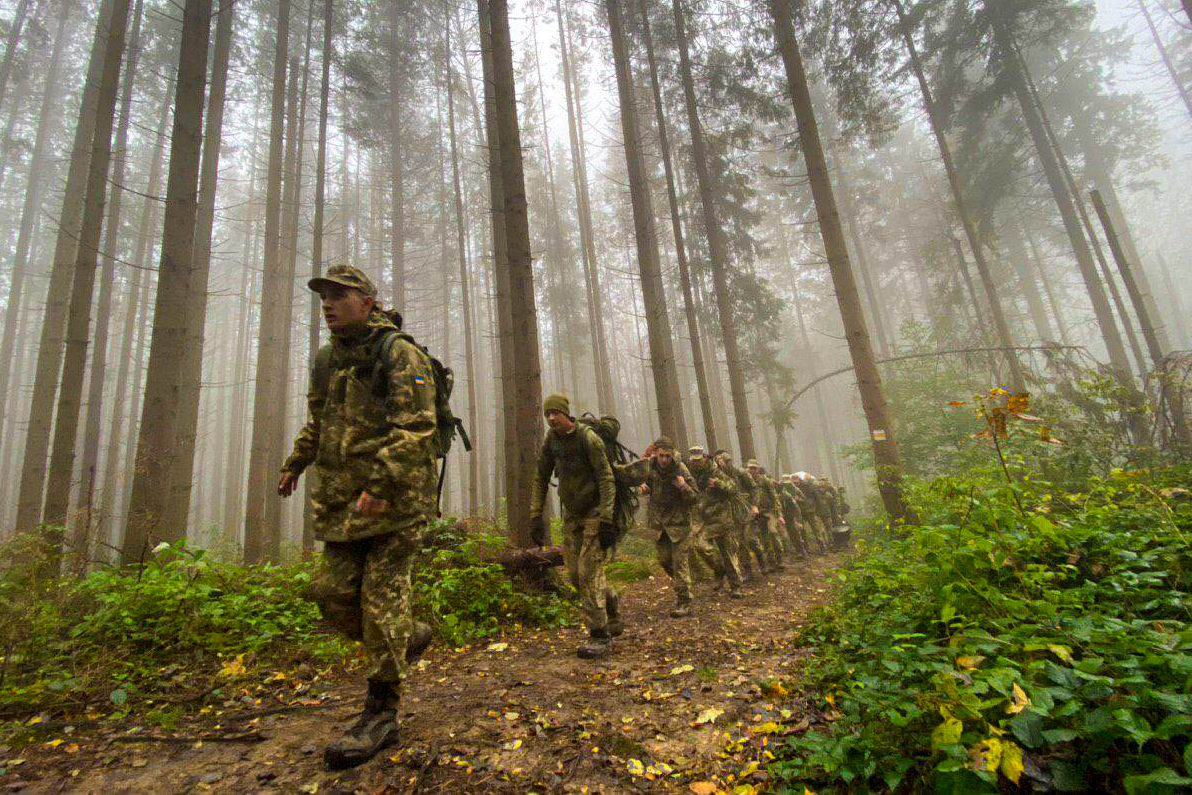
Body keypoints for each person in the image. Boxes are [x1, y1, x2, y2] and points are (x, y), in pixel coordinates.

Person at [279, 265, 438, 769]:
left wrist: (381, 484)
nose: (327, 304)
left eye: (339, 295)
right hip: (343, 504)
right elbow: (319, 420)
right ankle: (408, 638)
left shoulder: (400, 353)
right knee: (330, 595)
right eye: (323, 296)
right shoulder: (327, 360)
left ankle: (382, 711)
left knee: (382, 602)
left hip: (396, 504)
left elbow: (417, 426)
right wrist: (295, 463)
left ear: (368, 300)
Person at [529, 394, 622, 659]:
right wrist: (535, 514)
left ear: (566, 414)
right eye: (547, 415)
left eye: (554, 414)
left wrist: (606, 519)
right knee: (573, 575)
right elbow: (540, 476)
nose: (550, 419)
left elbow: (606, 478)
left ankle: (599, 635)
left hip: (594, 514)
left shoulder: (588, 439)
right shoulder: (552, 441)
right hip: (572, 515)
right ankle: (611, 600)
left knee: (588, 572)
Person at [640, 437, 700, 617]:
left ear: (672, 455)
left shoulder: (680, 469)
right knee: (664, 560)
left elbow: (695, 497)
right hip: (660, 526)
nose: (664, 460)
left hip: (680, 525)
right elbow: (645, 483)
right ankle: (686, 584)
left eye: (667, 456)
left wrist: (683, 487)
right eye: (661, 456)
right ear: (656, 454)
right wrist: (644, 487)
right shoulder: (650, 468)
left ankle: (684, 602)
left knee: (679, 563)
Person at [686, 447, 745, 599]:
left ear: (704, 457)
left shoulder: (715, 471)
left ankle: (736, 586)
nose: (696, 463)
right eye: (693, 460)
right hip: (703, 520)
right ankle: (718, 570)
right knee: (700, 546)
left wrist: (718, 483)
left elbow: (734, 488)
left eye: (698, 460)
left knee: (729, 554)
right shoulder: (690, 472)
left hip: (722, 519)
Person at [746, 461, 785, 573]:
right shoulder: (747, 481)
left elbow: (774, 498)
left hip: (769, 512)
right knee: (764, 539)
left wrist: (779, 515)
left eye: (754, 468)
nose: (752, 470)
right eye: (750, 468)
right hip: (756, 514)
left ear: (758, 469)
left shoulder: (765, 481)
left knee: (773, 533)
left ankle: (780, 559)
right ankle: (771, 563)